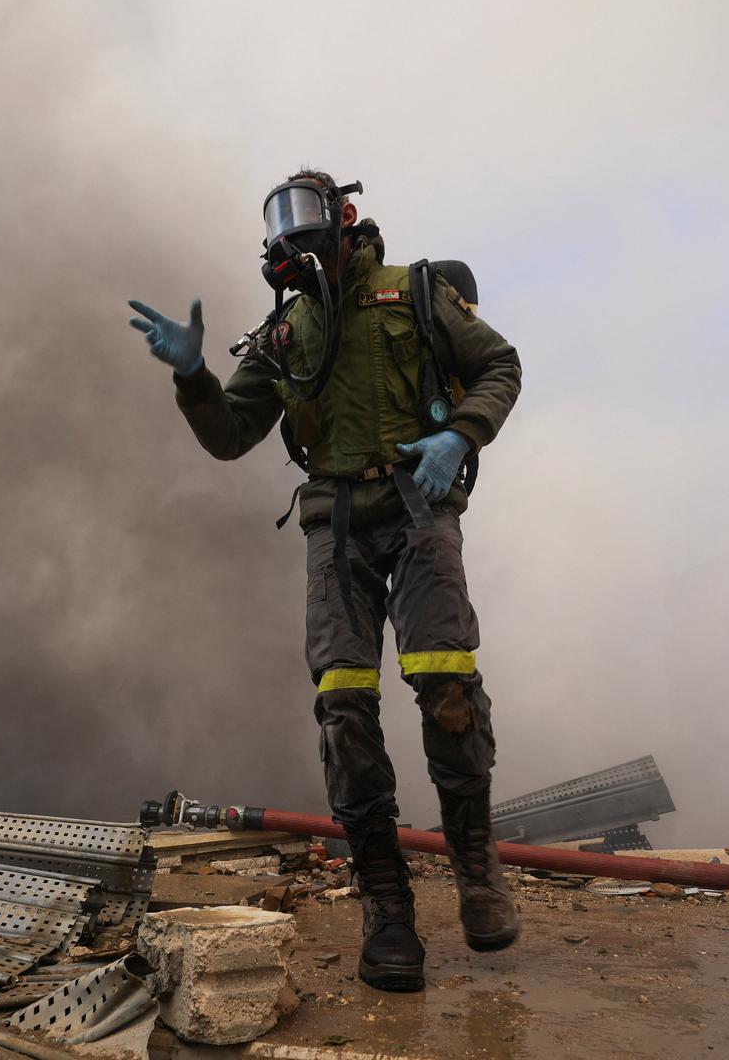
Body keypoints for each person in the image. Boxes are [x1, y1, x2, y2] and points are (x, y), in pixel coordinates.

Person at [127, 170, 521, 992]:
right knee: (343, 707)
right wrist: (192, 374)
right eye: (277, 220)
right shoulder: (284, 334)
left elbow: (498, 365)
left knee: (446, 684)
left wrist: (462, 436)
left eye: (303, 212)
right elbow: (230, 435)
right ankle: (386, 906)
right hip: (335, 526)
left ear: (345, 214)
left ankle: (477, 871)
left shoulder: (416, 292)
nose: (290, 232)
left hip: (418, 510)